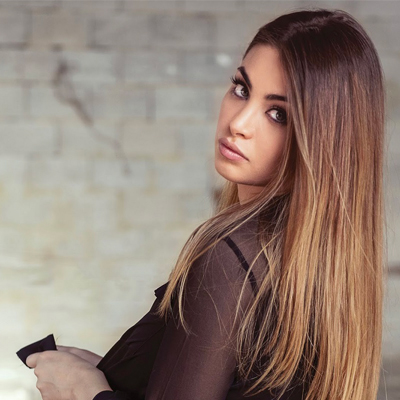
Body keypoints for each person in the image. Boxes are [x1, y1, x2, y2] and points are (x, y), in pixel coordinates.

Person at [25, 8, 386, 400]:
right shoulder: (322, 268)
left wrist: (86, 391)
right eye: (242, 90)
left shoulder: (230, 257)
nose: (239, 123)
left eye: (278, 114)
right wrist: (123, 377)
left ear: (323, 139)